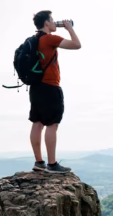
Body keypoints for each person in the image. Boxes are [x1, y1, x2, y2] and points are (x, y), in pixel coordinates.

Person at [28, 10, 80, 173]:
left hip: (35, 87)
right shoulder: (50, 38)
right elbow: (77, 45)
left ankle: (39, 162)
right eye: (52, 20)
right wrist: (69, 28)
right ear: (46, 23)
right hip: (50, 86)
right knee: (52, 124)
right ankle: (52, 164)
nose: (54, 22)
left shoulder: (33, 40)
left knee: (37, 123)